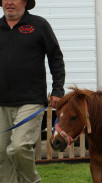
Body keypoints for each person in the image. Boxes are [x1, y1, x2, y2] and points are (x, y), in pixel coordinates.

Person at [0, 0, 65, 182]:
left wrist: (57, 90)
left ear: (26, 2)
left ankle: (32, 181)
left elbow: (56, 59)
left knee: (19, 147)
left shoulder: (39, 25)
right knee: (1, 155)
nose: (9, 2)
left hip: (31, 101)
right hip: (1, 103)